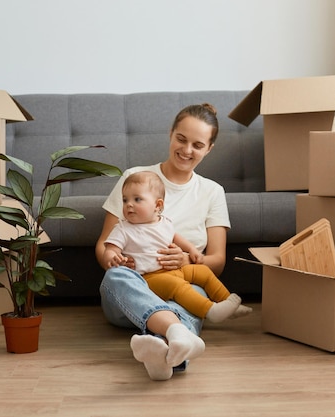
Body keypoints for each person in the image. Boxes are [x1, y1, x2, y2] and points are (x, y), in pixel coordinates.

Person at [95, 103, 252, 381]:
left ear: (209, 148)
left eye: (198, 144)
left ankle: (166, 356)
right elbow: (104, 246)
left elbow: (216, 261)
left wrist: (189, 258)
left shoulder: (212, 192)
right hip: (133, 290)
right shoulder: (134, 178)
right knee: (115, 277)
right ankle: (175, 332)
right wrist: (115, 260)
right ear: (170, 134)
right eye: (181, 139)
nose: (187, 150)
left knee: (190, 296)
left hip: (184, 287)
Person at [101, 170, 245, 324]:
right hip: (149, 278)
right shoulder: (123, 228)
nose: (129, 204)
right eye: (125, 200)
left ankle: (227, 302)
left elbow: (176, 237)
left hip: (175, 270)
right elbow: (110, 249)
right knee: (177, 286)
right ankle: (210, 310)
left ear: (158, 205)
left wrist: (191, 250)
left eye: (137, 199)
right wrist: (113, 258)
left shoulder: (164, 222)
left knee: (203, 271)